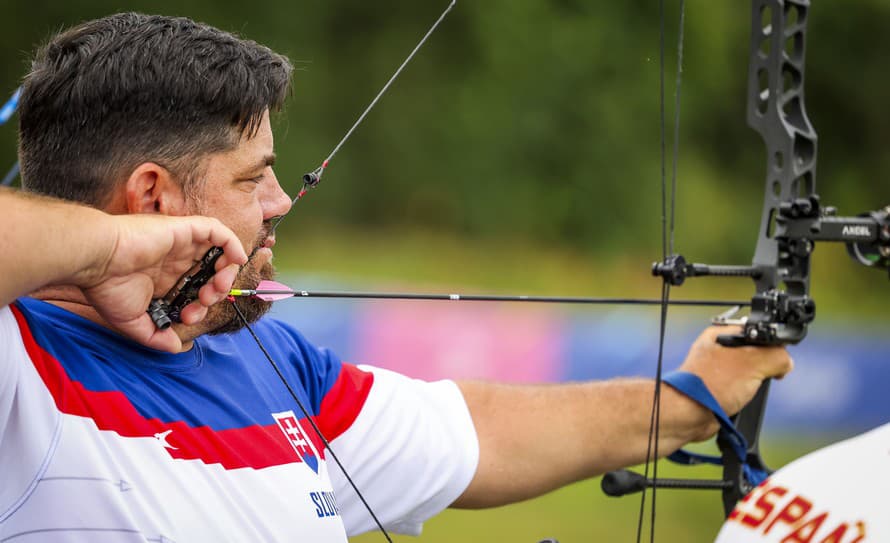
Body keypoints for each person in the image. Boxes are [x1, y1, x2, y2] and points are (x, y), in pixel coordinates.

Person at [0, 13, 793, 541]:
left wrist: (692, 397)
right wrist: (110, 251)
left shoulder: (276, 370)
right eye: (253, 179)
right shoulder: (21, 364)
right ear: (151, 198)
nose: (281, 201)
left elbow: (478, 433)